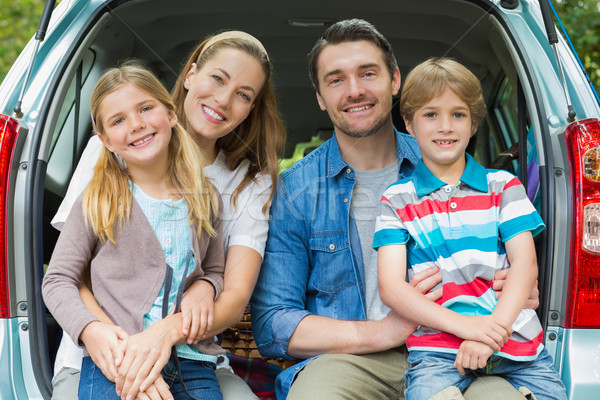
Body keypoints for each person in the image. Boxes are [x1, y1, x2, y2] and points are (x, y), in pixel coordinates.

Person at [250, 19, 539, 400]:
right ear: (320, 97)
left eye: (368, 73)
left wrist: (516, 292)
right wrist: (386, 331)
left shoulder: (454, 161)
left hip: (464, 350)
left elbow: (517, 265)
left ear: (395, 81)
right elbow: (274, 324)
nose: (355, 90)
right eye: (336, 79)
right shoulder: (295, 192)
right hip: (357, 361)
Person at [49, 31, 285, 400]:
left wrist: (185, 311)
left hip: (193, 358)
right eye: (217, 79)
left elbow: (230, 288)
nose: (223, 99)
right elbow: (68, 274)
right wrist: (125, 352)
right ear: (189, 76)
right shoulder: (108, 159)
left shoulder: (233, 189)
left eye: (243, 95)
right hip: (100, 355)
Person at [374, 57, 567, 400]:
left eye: (458, 114)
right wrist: (469, 329)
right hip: (438, 353)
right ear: (408, 123)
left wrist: (491, 333)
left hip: (517, 343)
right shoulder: (396, 200)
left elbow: (524, 267)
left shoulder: (504, 186)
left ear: (473, 122)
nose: (445, 126)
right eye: (430, 114)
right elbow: (390, 287)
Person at [42, 63, 226, 400]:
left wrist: (205, 286)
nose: (137, 124)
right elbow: (57, 280)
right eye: (118, 120)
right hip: (117, 359)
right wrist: (91, 330)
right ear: (106, 141)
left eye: (145, 108)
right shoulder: (98, 199)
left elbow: (214, 269)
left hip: (191, 363)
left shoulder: (205, 197)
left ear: (171, 114)